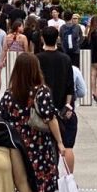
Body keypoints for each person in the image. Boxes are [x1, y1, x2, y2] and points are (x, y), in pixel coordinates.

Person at [0, 53, 66, 192]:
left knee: (20, 185)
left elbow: (1, 119)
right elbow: (50, 118)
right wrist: (59, 142)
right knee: (45, 183)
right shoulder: (41, 91)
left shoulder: (9, 94)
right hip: (40, 147)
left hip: (17, 147)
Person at [37, 26, 76, 174]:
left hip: (43, 109)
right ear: (57, 38)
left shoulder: (38, 58)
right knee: (65, 145)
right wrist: (68, 105)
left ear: (42, 38)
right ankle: (65, 176)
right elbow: (70, 85)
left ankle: (49, 174)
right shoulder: (65, 59)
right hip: (62, 108)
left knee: (46, 146)